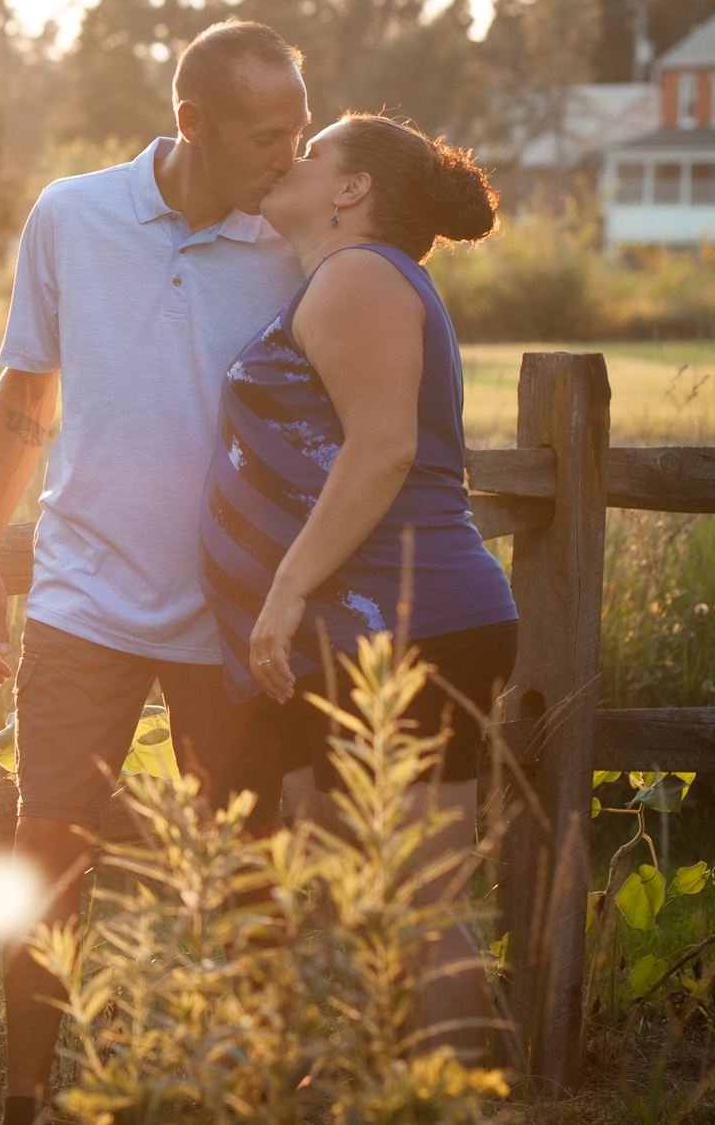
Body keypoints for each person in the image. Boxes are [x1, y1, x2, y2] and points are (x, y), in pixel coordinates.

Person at [0, 19, 311, 1125]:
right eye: (266, 133)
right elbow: (25, 396)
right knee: (46, 845)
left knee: (243, 863)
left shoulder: (298, 238)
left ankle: (240, 1091)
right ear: (190, 122)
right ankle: (25, 1096)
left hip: (232, 611)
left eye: (300, 126)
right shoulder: (72, 214)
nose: (291, 154)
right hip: (82, 600)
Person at [201, 111, 514, 1057]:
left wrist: (287, 590)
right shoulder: (345, 278)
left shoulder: (357, 277)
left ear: (352, 190)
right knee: (384, 897)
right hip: (382, 624)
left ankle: (463, 1106)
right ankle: (407, 1088)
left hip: (409, 618)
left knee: (423, 900)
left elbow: (383, 449)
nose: (288, 158)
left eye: (312, 149)